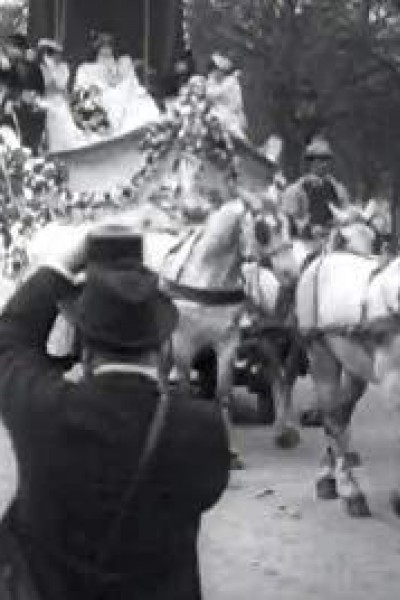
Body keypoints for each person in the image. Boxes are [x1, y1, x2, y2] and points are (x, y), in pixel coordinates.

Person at [0, 224, 230, 600]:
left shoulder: (41, 408)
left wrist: (61, 265)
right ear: (161, 348)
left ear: (84, 350)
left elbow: (10, 336)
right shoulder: (202, 428)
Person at [75, 31, 160, 135]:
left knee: (142, 103)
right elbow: (82, 93)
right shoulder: (86, 68)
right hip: (102, 104)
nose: (106, 48)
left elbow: (123, 81)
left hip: (124, 102)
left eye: (108, 44)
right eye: (102, 44)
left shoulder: (124, 62)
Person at [281, 136, 350, 238]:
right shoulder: (295, 191)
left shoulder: (337, 189)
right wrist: (310, 229)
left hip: (332, 241)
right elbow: (291, 221)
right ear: (311, 162)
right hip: (303, 244)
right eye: (320, 159)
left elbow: (344, 212)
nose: (325, 164)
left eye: (327, 159)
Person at [38, 38, 92, 152]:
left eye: (59, 54)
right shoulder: (43, 68)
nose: (59, 56)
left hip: (61, 100)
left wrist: (67, 97)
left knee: (68, 119)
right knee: (56, 119)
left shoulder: (63, 67)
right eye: (55, 54)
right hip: (49, 100)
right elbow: (49, 87)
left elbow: (64, 86)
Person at [206, 52, 247, 139]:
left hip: (232, 117)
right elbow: (210, 95)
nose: (215, 72)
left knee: (233, 128)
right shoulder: (211, 82)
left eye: (218, 69)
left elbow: (237, 103)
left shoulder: (231, 81)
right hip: (218, 117)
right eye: (213, 69)